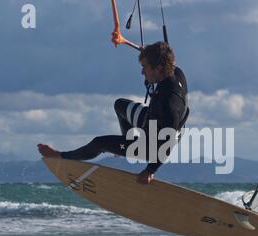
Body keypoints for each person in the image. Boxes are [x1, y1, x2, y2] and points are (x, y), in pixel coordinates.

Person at [38, 42, 189, 184]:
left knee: (100, 143)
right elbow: (163, 55)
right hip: (151, 120)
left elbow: (167, 142)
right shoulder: (175, 72)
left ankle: (62, 155)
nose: (142, 72)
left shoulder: (169, 102)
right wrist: (146, 52)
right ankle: (125, 141)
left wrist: (150, 170)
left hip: (156, 143)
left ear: (159, 69)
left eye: (145, 67)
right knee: (120, 105)